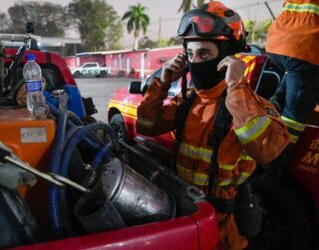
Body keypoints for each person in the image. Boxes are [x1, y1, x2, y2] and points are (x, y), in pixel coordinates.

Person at [136, 2, 290, 249]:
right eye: (190, 54)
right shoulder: (187, 101)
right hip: (184, 218)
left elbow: (267, 150)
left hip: (224, 231)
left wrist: (236, 87)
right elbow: (145, 125)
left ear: (228, 56)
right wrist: (161, 83)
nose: (195, 62)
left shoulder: (249, 104)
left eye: (205, 54)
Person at [266, 0, 319, 144]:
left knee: (296, 74)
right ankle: (277, 158)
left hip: (278, 43)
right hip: (303, 48)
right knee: (295, 115)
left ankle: (276, 103)